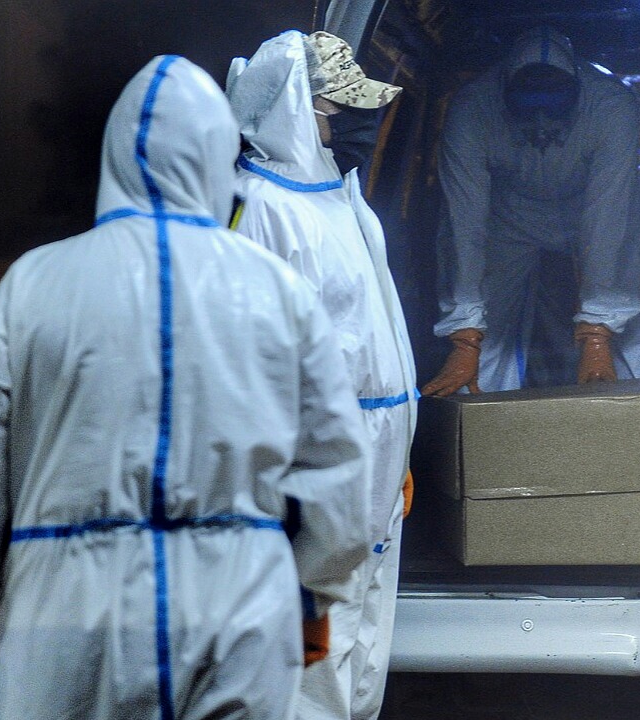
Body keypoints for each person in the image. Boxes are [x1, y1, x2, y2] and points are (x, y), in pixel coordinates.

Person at [0, 55, 372, 720]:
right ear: (218, 156)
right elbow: (334, 465)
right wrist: (313, 595)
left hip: (65, 611)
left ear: (114, 159)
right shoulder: (278, 293)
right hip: (238, 606)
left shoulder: (34, 285)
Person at [226, 30, 418, 720]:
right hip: (318, 455)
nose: (358, 123)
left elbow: (373, 329)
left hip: (372, 450)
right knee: (316, 630)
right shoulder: (259, 209)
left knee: (365, 619)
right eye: (341, 108)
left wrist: (396, 452)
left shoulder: (338, 196)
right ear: (293, 110)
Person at [422, 26, 640, 396]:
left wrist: (597, 333)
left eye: (552, 105)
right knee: (489, 326)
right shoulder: (473, 108)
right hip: (510, 210)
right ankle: (481, 417)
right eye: (528, 105)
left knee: (629, 323)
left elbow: (607, 217)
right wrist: (464, 336)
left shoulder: (612, 105)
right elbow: (463, 222)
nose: (540, 120)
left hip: (596, 202)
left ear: (576, 94)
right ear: (506, 94)